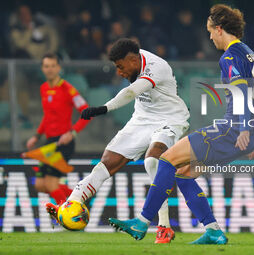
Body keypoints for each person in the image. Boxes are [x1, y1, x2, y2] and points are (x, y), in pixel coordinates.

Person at [108, 4, 254, 245]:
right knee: (183, 173)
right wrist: (253, 134)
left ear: (220, 29)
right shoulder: (250, 53)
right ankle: (213, 231)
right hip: (246, 131)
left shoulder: (230, 56)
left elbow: (242, 92)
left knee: (167, 159)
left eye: (211, 31)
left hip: (232, 129)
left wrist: (243, 129)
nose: (210, 37)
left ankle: (141, 222)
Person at [46, 38, 190, 244]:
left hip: (171, 120)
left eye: (121, 67)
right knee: (104, 165)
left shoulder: (156, 66)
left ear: (133, 60)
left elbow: (130, 92)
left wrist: (103, 108)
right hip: (142, 120)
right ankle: (71, 204)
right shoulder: (133, 59)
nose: (119, 72)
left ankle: (164, 226)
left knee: (152, 161)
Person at [26, 53, 90, 206]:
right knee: (40, 185)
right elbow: (47, 116)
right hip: (50, 143)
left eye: (53, 66)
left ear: (59, 68)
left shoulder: (67, 89)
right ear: (42, 68)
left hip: (63, 142)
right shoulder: (44, 88)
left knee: (51, 184)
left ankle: (67, 217)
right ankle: (82, 199)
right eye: (46, 66)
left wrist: (72, 133)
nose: (50, 69)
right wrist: (36, 135)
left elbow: (86, 112)